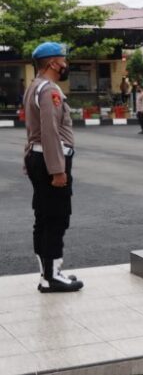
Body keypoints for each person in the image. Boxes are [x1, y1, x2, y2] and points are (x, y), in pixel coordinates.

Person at [23, 42, 84, 292]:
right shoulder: (49, 91)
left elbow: (34, 131)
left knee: (44, 216)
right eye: (63, 60)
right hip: (52, 159)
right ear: (52, 63)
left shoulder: (34, 87)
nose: (65, 64)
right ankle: (51, 276)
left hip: (40, 157)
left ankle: (47, 273)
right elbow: (49, 131)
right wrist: (57, 169)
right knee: (56, 217)